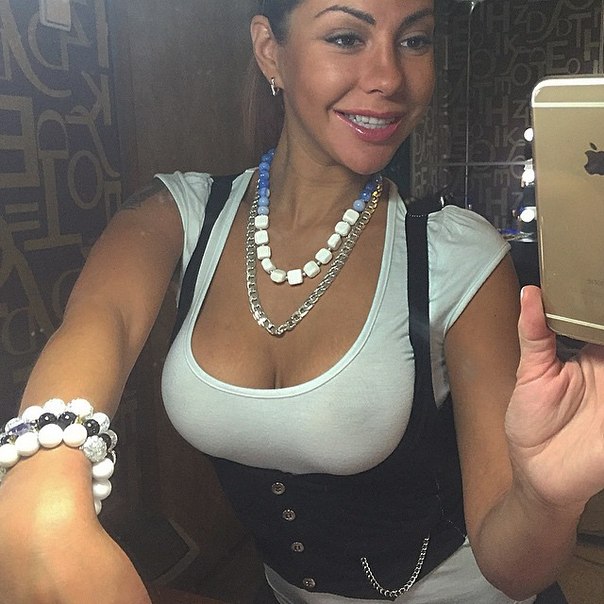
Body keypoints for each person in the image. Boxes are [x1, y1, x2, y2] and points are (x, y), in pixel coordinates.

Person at [1, 1, 603, 602]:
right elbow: (100, 321)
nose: (390, 77)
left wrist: (547, 496)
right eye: (346, 37)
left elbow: (513, 568)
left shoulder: (458, 252)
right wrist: (48, 478)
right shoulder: (178, 216)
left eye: (415, 40)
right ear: (270, 50)